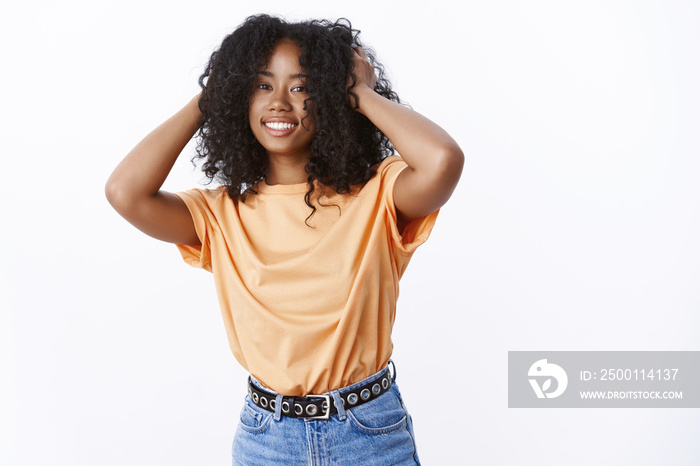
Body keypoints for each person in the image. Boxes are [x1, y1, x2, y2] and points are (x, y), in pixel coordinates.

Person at [105, 14, 463, 465]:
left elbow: (443, 161)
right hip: (266, 439)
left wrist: (361, 92)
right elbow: (125, 192)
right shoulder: (219, 214)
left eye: (300, 87)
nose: (278, 102)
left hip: (369, 433)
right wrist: (209, 98)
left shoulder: (379, 195)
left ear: (332, 97)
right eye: (260, 85)